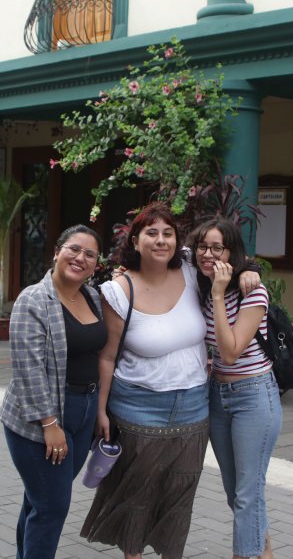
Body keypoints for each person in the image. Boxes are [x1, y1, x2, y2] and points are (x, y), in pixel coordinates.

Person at [79, 202, 212, 559]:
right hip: (138, 407)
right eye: (151, 233)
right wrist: (101, 411)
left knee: (179, 494)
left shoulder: (188, 269)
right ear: (135, 241)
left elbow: (226, 252)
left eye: (167, 233)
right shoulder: (120, 290)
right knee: (135, 495)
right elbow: (106, 356)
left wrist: (249, 273)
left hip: (194, 406)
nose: (161, 240)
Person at [2, 224, 107, 559]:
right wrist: (50, 425)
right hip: (42, 419)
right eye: (74, 249)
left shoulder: (92, 296)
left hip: (84, 411)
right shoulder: (34, 299)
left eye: (90, 254)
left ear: (96, 264)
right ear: (57, 252)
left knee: (39, 500)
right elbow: (27, 370)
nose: (81, 258)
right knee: (52, 507)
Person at [192, 217, 281, 559]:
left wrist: (218, 293)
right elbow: (164, 251)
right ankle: (265, 554)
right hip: (217, 396)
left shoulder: (251, 290)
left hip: (253, 397)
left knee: (247, 494)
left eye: (218, 247)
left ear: (232, 251)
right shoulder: (198, 277)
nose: (208, 254)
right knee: (239, 495)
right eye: (203, 246)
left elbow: (229, 351)